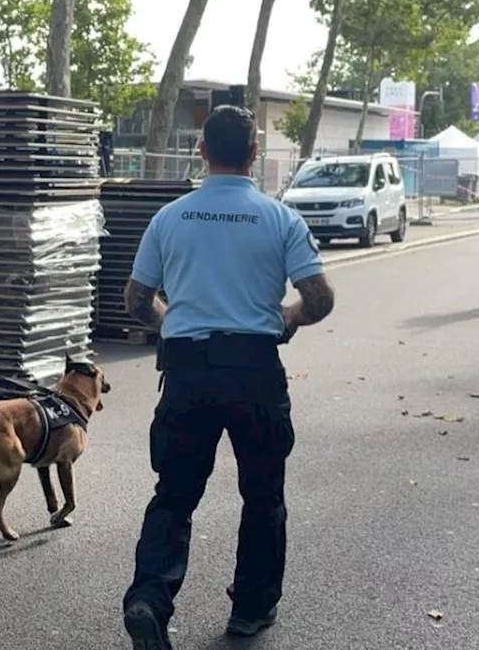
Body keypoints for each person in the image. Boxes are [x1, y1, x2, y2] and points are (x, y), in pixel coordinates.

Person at [119, 105, 336, 650]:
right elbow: (320, 298)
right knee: (263, 495)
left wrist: (172, 323)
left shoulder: (170, 217)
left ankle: (150, 598)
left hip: (188, 371)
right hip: (254, 370)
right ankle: (251, 610)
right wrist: (288, 317)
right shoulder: (280, 218)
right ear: (255, 152)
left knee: (173, 494)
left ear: (201, 150)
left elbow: (136, 300)